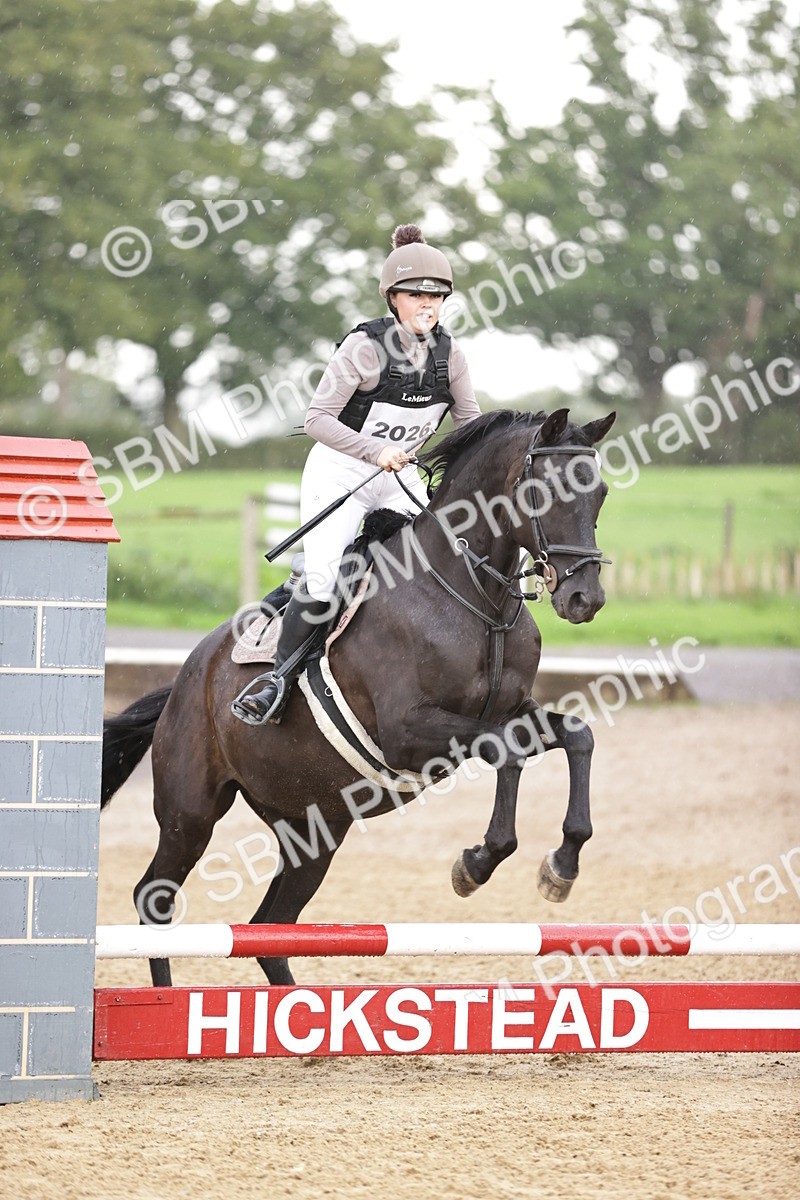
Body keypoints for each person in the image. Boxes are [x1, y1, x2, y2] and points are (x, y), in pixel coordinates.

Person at [232, 223, 481, 726]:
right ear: (393, 298)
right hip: (341, 473)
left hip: (401, 477)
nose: (426, 305)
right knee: (326, 580)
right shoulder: (364, 350)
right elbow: (317, 420)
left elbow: (470, 426)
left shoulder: (450, 356)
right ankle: (276, 681)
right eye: (415, 295)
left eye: (436, 296)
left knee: (449, 557)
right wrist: (375, 451)